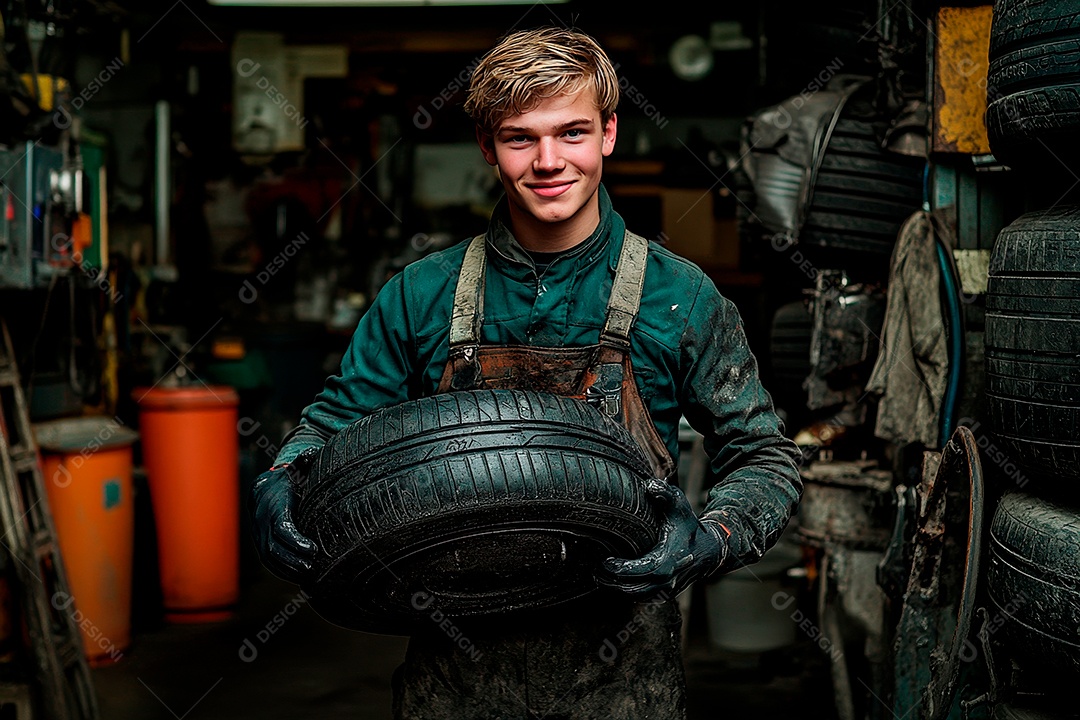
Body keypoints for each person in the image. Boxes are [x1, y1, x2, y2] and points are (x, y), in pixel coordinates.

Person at [251, 25, 803, 719]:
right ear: (487, 147)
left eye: (571, 133)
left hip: (622, 677)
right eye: (520, 138)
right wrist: (282, 478)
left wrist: (712, 537)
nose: (549, 161)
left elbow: (764, 458)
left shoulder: (680, 297)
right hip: (455, 669)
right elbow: (332, 426)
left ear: (608, 133)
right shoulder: (421, 295)